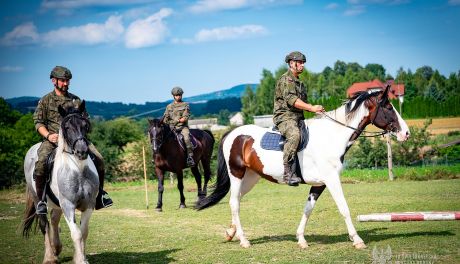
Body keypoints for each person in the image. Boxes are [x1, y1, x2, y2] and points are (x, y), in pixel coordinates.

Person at [33, 66, 113, 215]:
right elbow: (38, 122)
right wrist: (49, 136)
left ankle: (100, 196)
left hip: (77, 139)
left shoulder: (76, 100)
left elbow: (85, 119)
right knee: (41, 163)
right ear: (54, 81)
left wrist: (82, 129)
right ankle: (41, 201)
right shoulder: (46, 100)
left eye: (67, 81)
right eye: (62, 81)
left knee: (100, 159)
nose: (66, 83)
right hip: (53, 140)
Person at [273, 51, 325, 186]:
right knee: (294, 135)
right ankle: (288, 172)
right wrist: (312, 108)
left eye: (303, 63)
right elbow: (292, 100)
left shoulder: (300, 84)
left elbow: (304, 105)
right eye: (300, 62)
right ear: (291, 63)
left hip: (298, 117)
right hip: (285, 117)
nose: (302, 65)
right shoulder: (286, 80)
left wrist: (317, 112)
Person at [162, 86, 195, 167]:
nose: (178, 96)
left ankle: (190, 157)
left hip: (182, 127)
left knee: (187, 138)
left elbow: (184, 118)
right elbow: (165, 118)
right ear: (173, 96)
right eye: (177, 95)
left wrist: (176, 121)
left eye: (179, 95)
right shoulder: (169, 106)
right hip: (171, 128)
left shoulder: (185, 105)